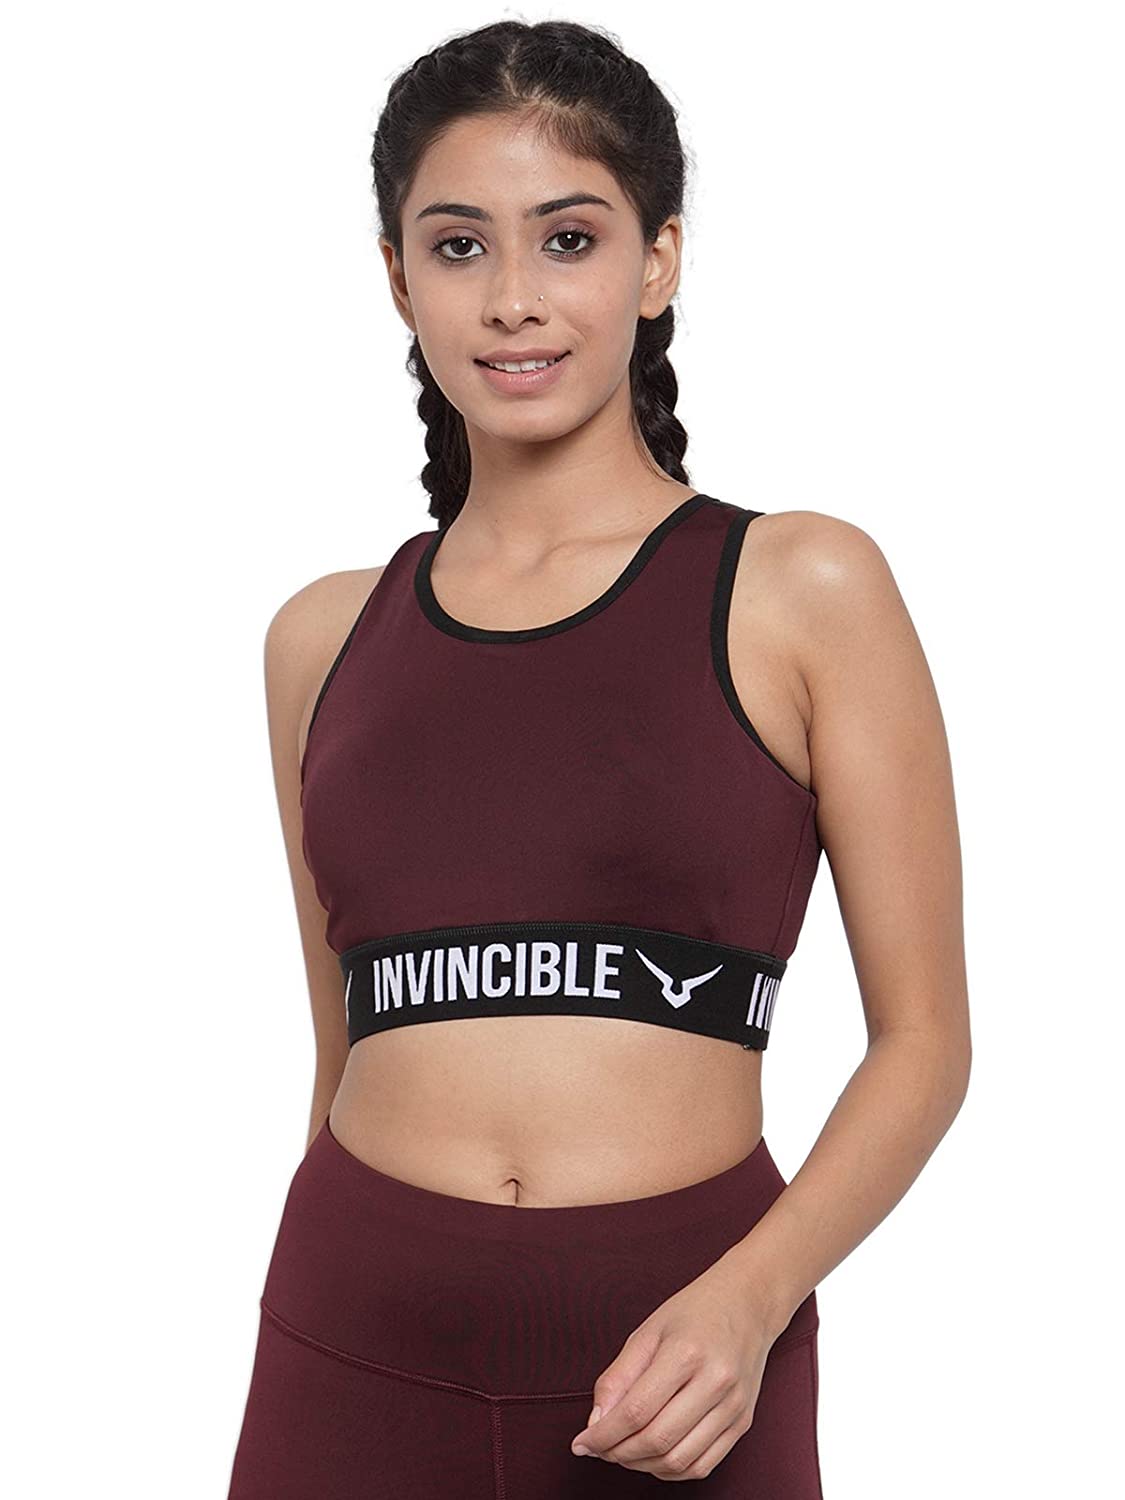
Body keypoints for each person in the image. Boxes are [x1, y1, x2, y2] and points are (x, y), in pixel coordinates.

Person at [227, 19, 971, 1497]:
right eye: (458, 247)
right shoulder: (322, 636)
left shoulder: (799, 586)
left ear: (657, 261)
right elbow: (346, 1049)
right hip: (353, 1336)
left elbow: (925, 1043)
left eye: (567, 239)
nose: (513, 298)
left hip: (684, 1354)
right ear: (398, 280)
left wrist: (751, 1298)